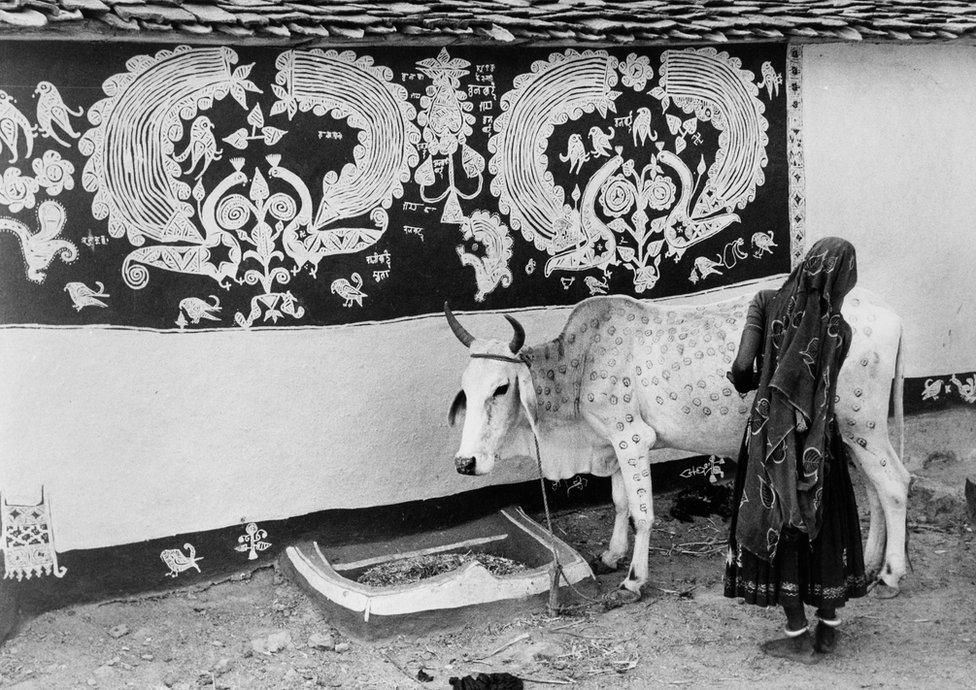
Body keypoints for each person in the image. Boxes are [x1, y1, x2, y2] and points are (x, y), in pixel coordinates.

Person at [724, 237, 867, 663]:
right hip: (820, 447)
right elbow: (819, 388)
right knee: (821, 522)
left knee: (779, 517)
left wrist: (751, 383)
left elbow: (742, 367)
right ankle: (828, 631)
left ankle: (797, 634)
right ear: (842, 280)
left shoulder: (764, 303)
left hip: (772, 438)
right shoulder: (841, 331)